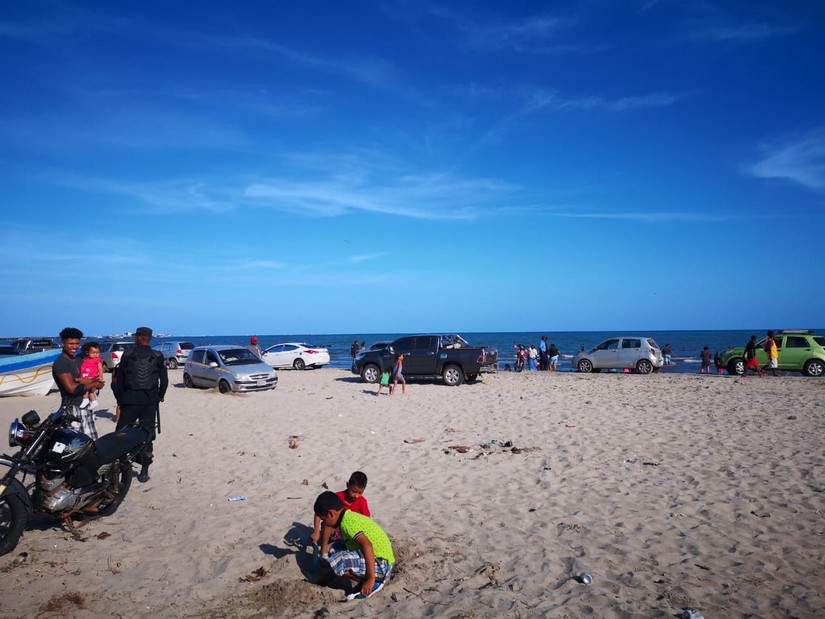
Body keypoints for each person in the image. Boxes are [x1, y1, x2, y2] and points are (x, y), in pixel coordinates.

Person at [313, 490, 394, 597]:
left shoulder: (347, 523)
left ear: (331, 514)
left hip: (382, 564)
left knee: (340, 559)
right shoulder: (347, 516)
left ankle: (374, 582)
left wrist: (371, 579)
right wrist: (324, 582)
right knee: (335, 550)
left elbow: (367, 545)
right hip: (380, 559)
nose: (324, 523)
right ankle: (367, 579)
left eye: (323, 519)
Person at [113, 327, 168, 483]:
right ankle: (144, 471)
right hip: (149, 402)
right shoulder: (157, 355)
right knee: (147, 435)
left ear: (138, 337)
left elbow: (120, 380)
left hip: (130, 400)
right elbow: (164, 380)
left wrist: (120, 399)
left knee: (121, 433)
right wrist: (160, 397)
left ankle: (119, 466)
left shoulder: (128, 354)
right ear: (150, 338)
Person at [52, 327, 105, 439]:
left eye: (77, 343)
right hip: (72, 409)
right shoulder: (61, 363)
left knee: (91, 444)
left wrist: (95, 382)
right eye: (71, 343)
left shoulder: (79, 360)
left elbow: (91, 379)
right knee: (75, 447)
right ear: (62, 343)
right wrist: (95, 383)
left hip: (86, 408)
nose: (75, 347)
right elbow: (71, 388)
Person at [310, 472, 371, 557]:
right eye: (353, 491)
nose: (356, 496)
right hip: (336, 529)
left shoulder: (362, 502)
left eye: (360, 493)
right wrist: (316, 531)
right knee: (327, 522)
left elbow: (366, 519)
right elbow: (319, 512)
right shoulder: (338, 497)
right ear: (347, 485)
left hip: (350, 530)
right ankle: (324, 552)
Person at [79, 341, 105, 411]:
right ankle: (93, 401)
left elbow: (100, 369)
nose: (95, 355)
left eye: (97, 353)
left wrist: (101, 377)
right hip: (86, 376)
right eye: (93, 353)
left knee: (86, 388)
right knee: (89, 390)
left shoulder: (97, 360)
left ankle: (85, 399)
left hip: (93, 376)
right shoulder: (85, 359)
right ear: (87, 353)